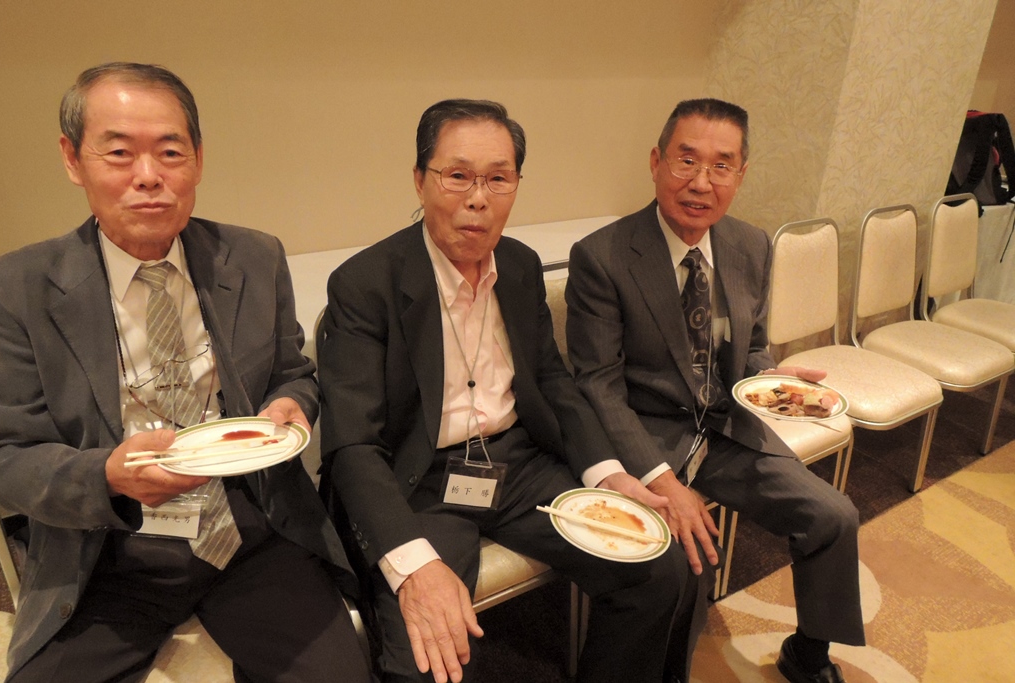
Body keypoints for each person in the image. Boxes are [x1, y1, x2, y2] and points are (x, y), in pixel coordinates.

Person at [0, 62, 370, 683]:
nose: (149, 176)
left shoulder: (253, 257)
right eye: (119, 153)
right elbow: (5, 461)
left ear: (197, 159)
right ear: (72, 159)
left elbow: (292, 373)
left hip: (247, 529)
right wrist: (107, 476)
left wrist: (292, 406)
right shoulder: (16, 288)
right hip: (108, 552)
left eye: (170, 152)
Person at [318, 99, 708, 683]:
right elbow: (352, 446)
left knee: (660, 568)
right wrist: (415, 567)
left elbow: (553, 381)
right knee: (428, 661)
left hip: (518, 464)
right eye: (458, 175)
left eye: (498, 178)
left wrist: (609, 475)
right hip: (417, 482)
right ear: (420, 180)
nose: (479, 198)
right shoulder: (364, 284)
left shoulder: (521, 267)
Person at [564, 98, 864, 683]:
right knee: (687, 559)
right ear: (656, 162)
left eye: (721, 165)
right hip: (649, 440)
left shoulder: (751, 245)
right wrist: (664, 482)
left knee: (834, 516)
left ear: (740, 174)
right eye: (687, 161)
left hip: (727, 429)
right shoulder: (603, 257)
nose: (702, 183)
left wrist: (775, 383)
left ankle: (807, 654)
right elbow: (597, 385)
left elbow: (750, 350)